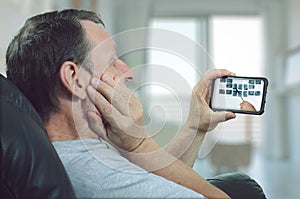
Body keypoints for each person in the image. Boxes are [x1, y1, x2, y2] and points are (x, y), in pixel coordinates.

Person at [6, 9, 266, 199]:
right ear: (74, 78)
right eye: (112, 61)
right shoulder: (96, 176)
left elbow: (157, 180)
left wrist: (194, 127)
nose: (128, 72)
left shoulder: (79, 149)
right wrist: (137, 142)